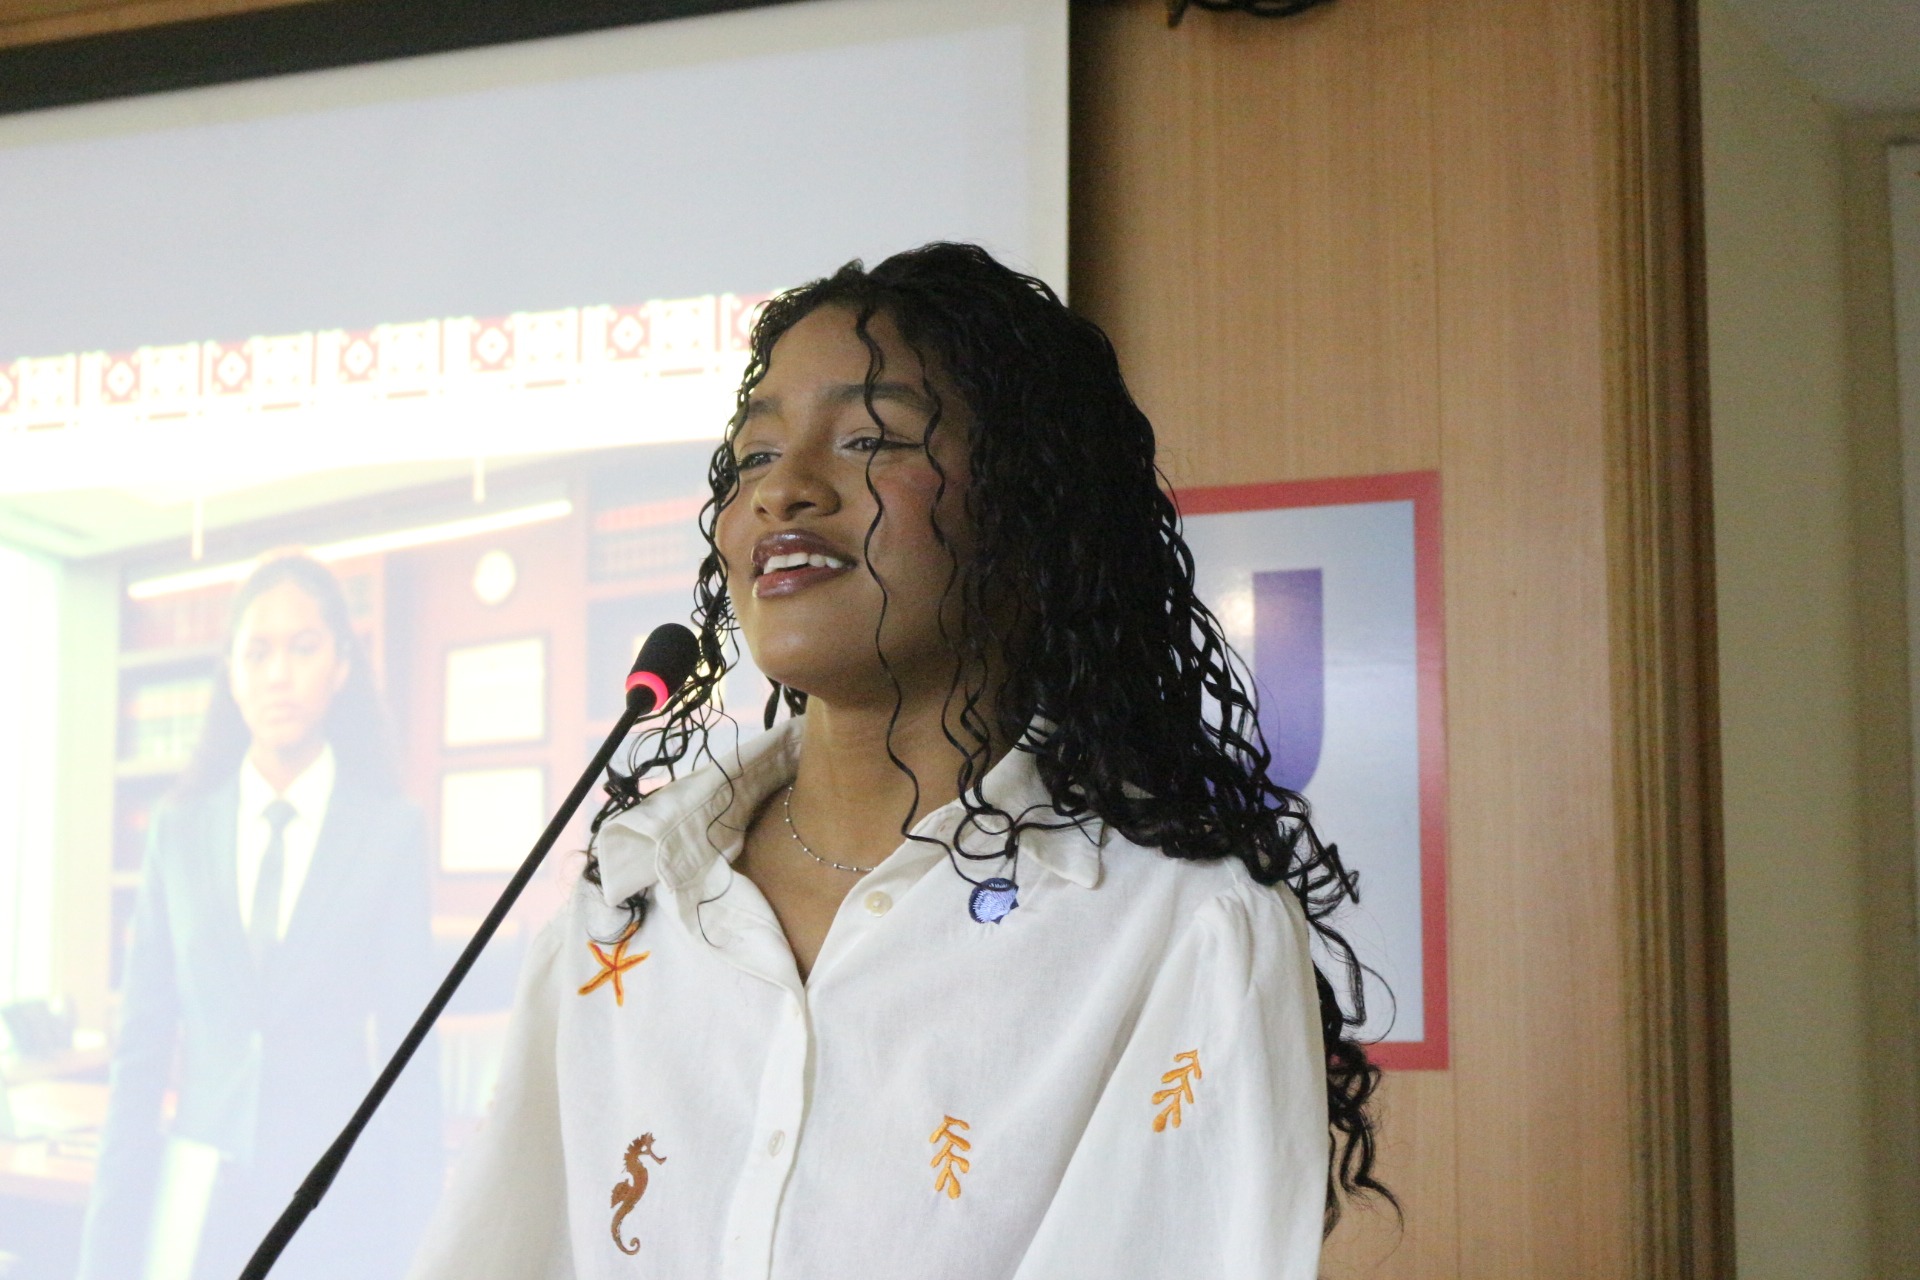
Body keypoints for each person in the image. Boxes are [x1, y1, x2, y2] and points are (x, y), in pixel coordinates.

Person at [409, 243, 1389, 1279]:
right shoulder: (630, 903)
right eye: (754, 454)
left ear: (1035, 506)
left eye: (870, 438)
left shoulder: (1181, 926)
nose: (784, 491)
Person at [80, 554, 442, 1280]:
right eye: (258, 652)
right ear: (231, 674)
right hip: (194, 1211)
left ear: (340, 666)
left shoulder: (389, 833)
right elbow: (140, 1054)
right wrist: (104, 1253)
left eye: (303, 648)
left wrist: (426, 1249)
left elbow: (411, 1062)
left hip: (334, 1208)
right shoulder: (178, 833)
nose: (279, 674)